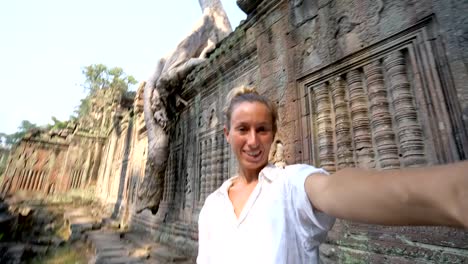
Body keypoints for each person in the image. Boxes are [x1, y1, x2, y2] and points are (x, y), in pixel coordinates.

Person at [197, 85, 468, 264]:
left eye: (262, 129)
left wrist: (453, 193)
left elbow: (335, 189)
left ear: (274, 133)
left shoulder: (289, 184)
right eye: (243, 129)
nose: (253, 141)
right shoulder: (212, 206)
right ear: (227, 134)